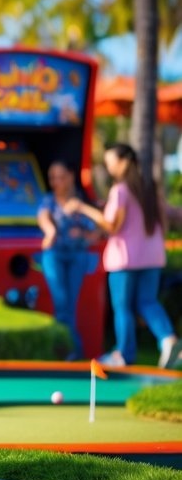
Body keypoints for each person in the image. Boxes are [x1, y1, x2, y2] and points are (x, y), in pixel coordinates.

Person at [65, 143, 180, 368]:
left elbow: (112, 226)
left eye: (110, 163)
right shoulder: (149, 188)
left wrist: (82, 207)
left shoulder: (120, 190)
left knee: (123, 307)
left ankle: (124, 354)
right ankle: (168, 338)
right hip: (152, 256)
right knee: (147, 301)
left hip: (125, 259)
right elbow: (168, 213)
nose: (109, 168)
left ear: (123, 162)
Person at [36, 160, 97, 360]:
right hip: (54, 255)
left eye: (60, 177)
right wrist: (50, 231)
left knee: (69, 306)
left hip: (77, 256)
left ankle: (67, 351)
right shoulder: (48, 201)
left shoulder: (82, 202)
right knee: (62, 304)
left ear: (71, 177)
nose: (55, 182)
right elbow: (43, 216)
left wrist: (86, 235)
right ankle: (72, 352)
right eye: (52, 178)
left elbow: (100, 229)